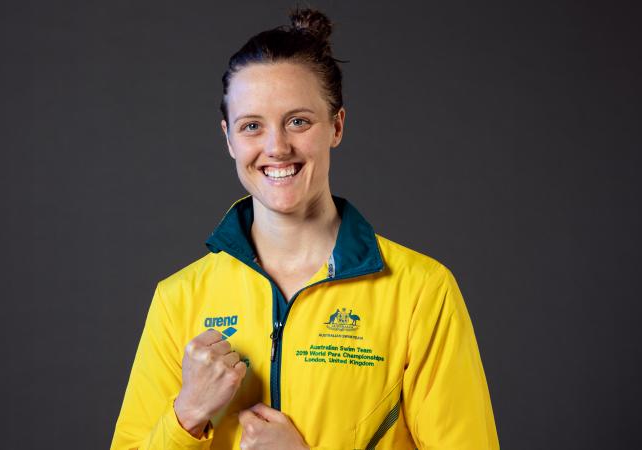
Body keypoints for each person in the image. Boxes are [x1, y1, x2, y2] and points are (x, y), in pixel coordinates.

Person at [111, 8, 499, 450]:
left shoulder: (420, 294)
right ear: (229, 139)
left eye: (298, 121)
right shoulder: (179, 298)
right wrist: (187, 415)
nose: (277, 147)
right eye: (252, 126)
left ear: (336, 126)